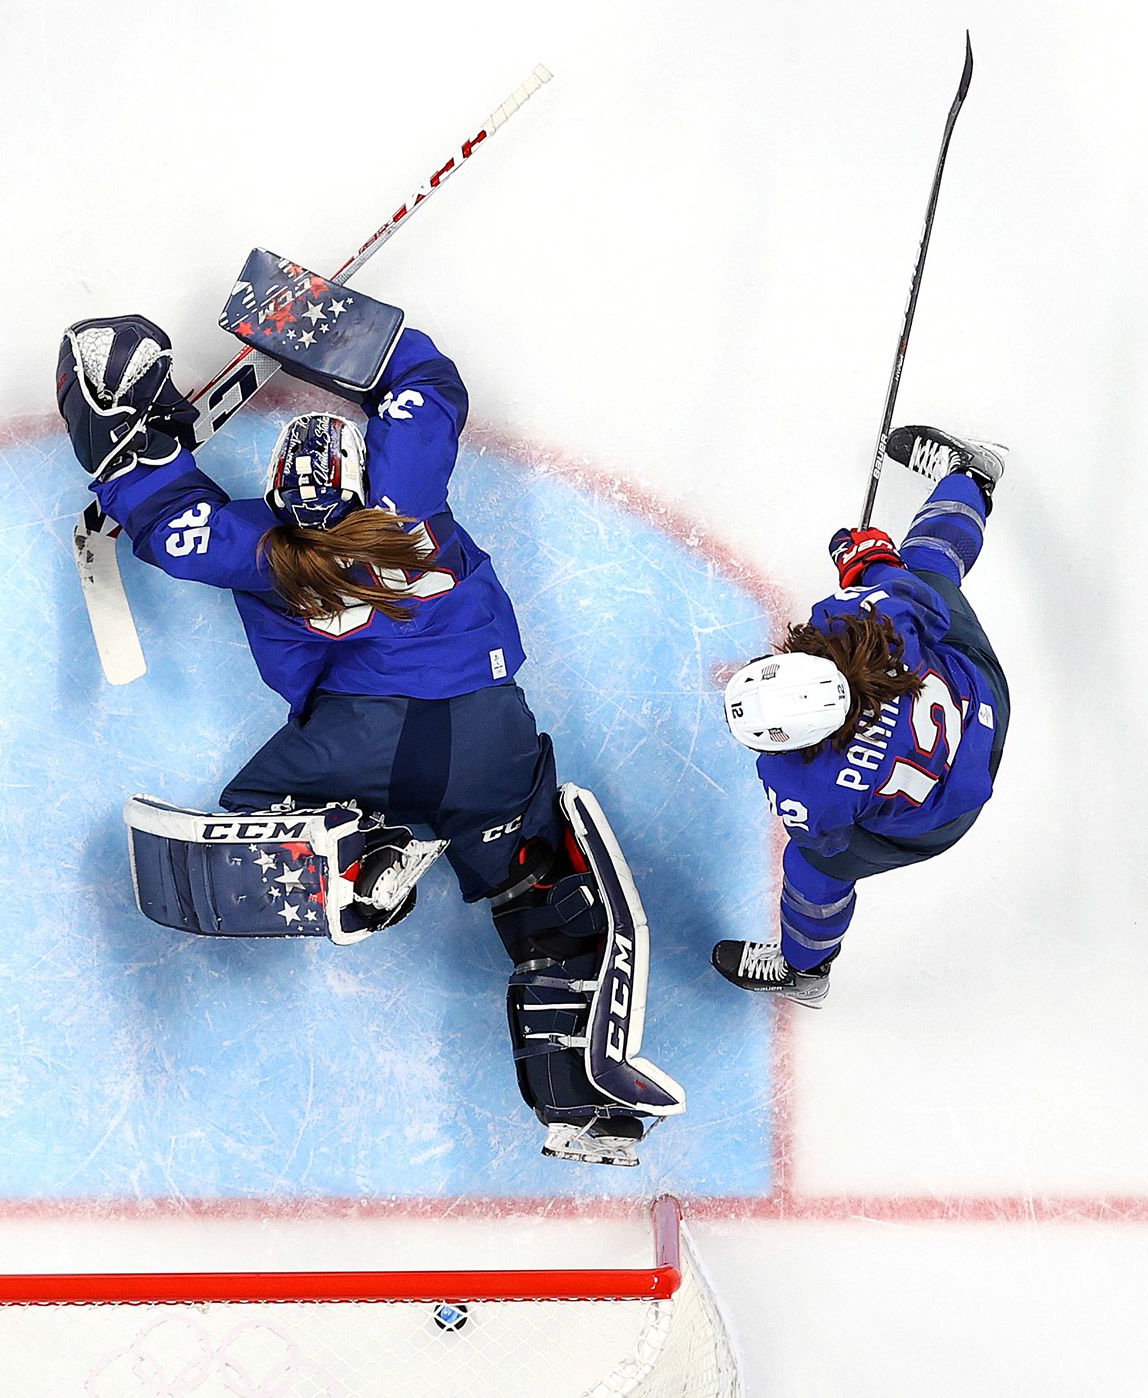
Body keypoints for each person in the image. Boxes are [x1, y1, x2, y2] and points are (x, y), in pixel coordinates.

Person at [56, 307, 682, 1166]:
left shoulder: (260, 546)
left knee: (257, 816)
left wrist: (137, 437)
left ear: (280, 489)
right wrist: (318, 328)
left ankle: (364, 861)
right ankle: (577, 1109)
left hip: (358, 745)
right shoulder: (407, 498)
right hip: (484, 735)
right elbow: (427, 385)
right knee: (542, 902)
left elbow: (164, 517)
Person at [715, 426, 1010, 1005]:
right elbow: (899, 587)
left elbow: (822, 835)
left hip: (940, 817)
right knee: (927, 568)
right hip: (980, 701)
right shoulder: (872, 622)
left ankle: (805, 970)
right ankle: (971, 479)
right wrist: (867, 559)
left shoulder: (806, 787)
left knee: (813, 871)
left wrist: (865, 564)